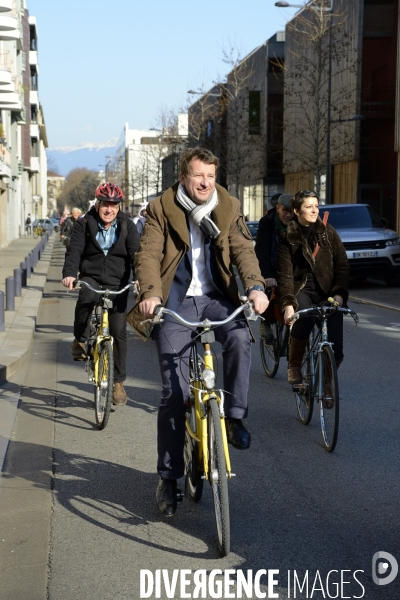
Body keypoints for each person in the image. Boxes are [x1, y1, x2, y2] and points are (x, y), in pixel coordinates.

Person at [127, 147, 268, 516]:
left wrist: (255, 287)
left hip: (216, 297)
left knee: (239, 336)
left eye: (210, 176)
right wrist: (151, 295)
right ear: (183, 178)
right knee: (174, 392)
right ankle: (169, 478)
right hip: (175, 301)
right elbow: (148, 255)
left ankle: (235, 416)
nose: (205, 182)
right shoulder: (162, 207)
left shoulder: (228, 205)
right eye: (197, 176)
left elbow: (243, 250)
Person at [61, 183, 140, 406]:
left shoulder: (127, 226)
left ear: (118, 207)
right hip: (92, 276)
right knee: (86, 297)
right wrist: (69, 274)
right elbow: (74, 250)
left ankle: (118, 383)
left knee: (118, 331)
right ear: (98, 204)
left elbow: (136, 254)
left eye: (114, 205)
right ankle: (80, 340)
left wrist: (140, 278)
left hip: (118, 281)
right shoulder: (84, 223)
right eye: (106, 204)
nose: (110, 209)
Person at [276, 190, 349, 385]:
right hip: (302, 290)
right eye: (309, 207)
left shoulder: (328, 232)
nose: (314, 210)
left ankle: (326, 382)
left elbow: (342, 264)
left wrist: (340, 293)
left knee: (337, 347)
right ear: (296, 210)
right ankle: (294, 366)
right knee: (304, 320)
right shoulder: (286, 238)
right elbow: (285, 274)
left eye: (316, 206)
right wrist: (288, 304)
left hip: (328, 291)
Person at [255, 193, 294, 342]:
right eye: (285, 210)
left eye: (292, 211)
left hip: (290, 266)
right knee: (267, 290)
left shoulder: (297, 222)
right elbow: (262, 250)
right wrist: (266, 275)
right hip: (271, 265)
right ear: (277, 208)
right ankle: (265, 322)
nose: (289, 215)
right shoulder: (267, 222)